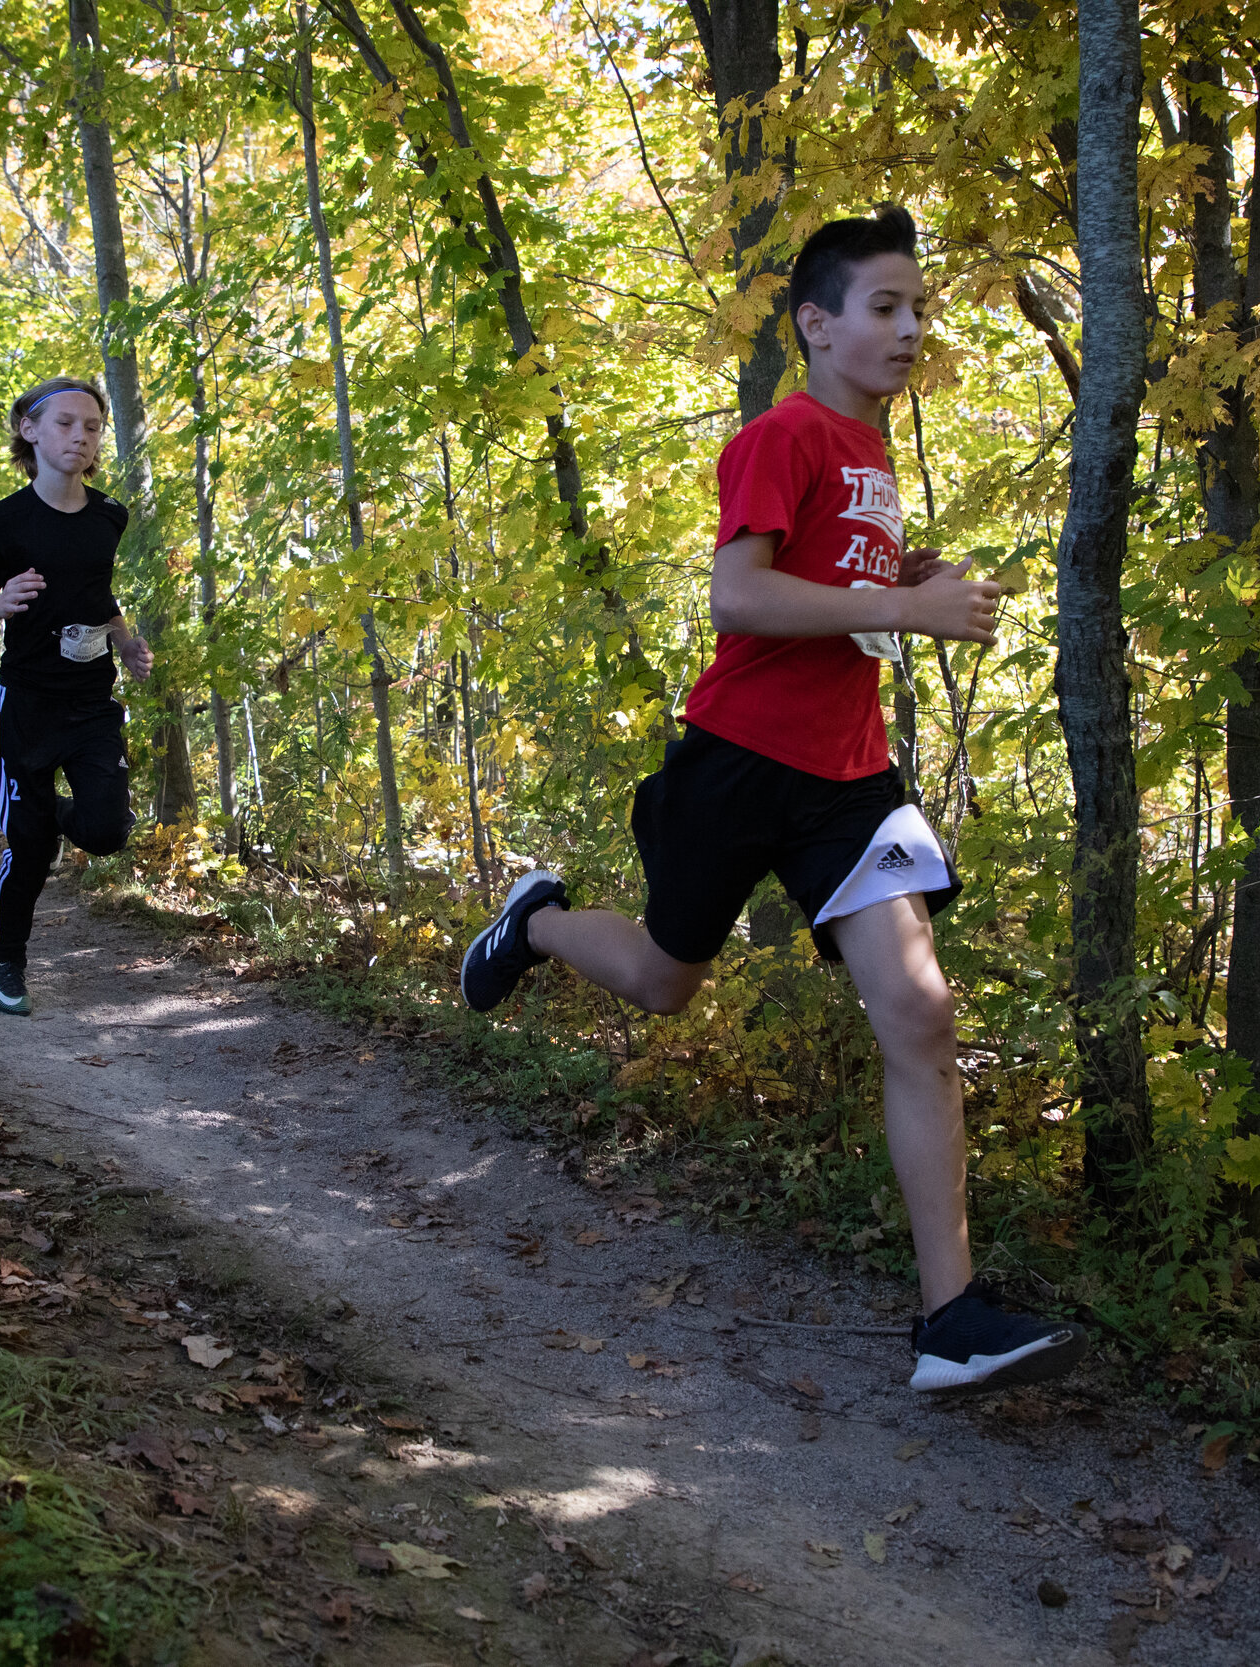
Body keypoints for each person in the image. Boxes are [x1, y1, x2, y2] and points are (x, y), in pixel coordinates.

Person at [460, 208, 1087, 1394]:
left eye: (919, 309)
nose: (910, 330)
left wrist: (901, 578)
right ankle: (538, 916)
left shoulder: (870, 455)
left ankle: (947, 1317)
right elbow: (737, 598)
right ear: (817, 323)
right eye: (885, 308)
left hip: (849, 780)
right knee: (661, 982)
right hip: (739, 759)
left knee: (919, 1014)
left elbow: (828, 582)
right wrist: (907, 610)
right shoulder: (783, 435)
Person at [0, 377, 152, 1015]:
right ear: (30, 431)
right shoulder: (5, 522)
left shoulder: (108, 517)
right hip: (29, 706)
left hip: (93, 703)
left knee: (107, 831)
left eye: (92, 427)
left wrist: (124, 640)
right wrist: (0, 604)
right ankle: (7, 959)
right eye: (66, 424)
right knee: (31, 848)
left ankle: (45, 816)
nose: (81, 437)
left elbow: (96, 594)